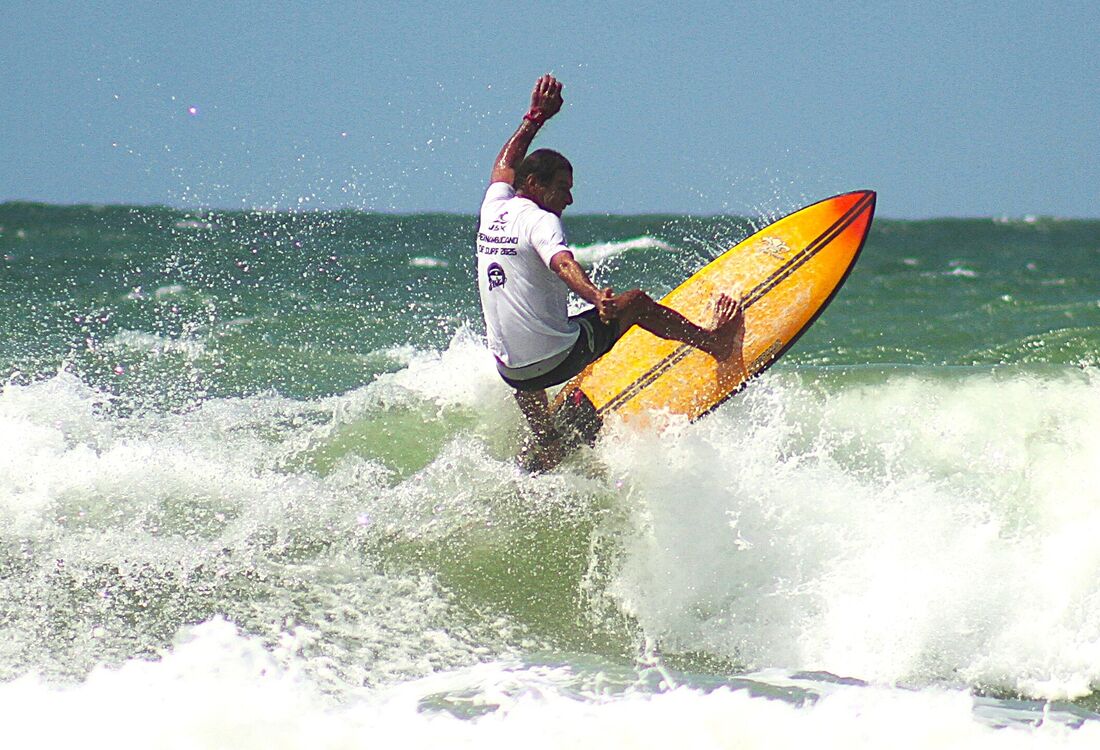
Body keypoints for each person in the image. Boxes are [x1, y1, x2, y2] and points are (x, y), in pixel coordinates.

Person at [477, 74, 745, 469]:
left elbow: (505, 163)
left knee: (525, 343)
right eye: (563, 187)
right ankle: (716, 343)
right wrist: (595, 297)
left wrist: (534, 118)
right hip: (553, 360)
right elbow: (562, 263)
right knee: (634, 303)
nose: (569, 197)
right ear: (534, 184)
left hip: (511, 372)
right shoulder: (540, 220)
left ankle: (546, 437)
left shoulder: (493, 207)